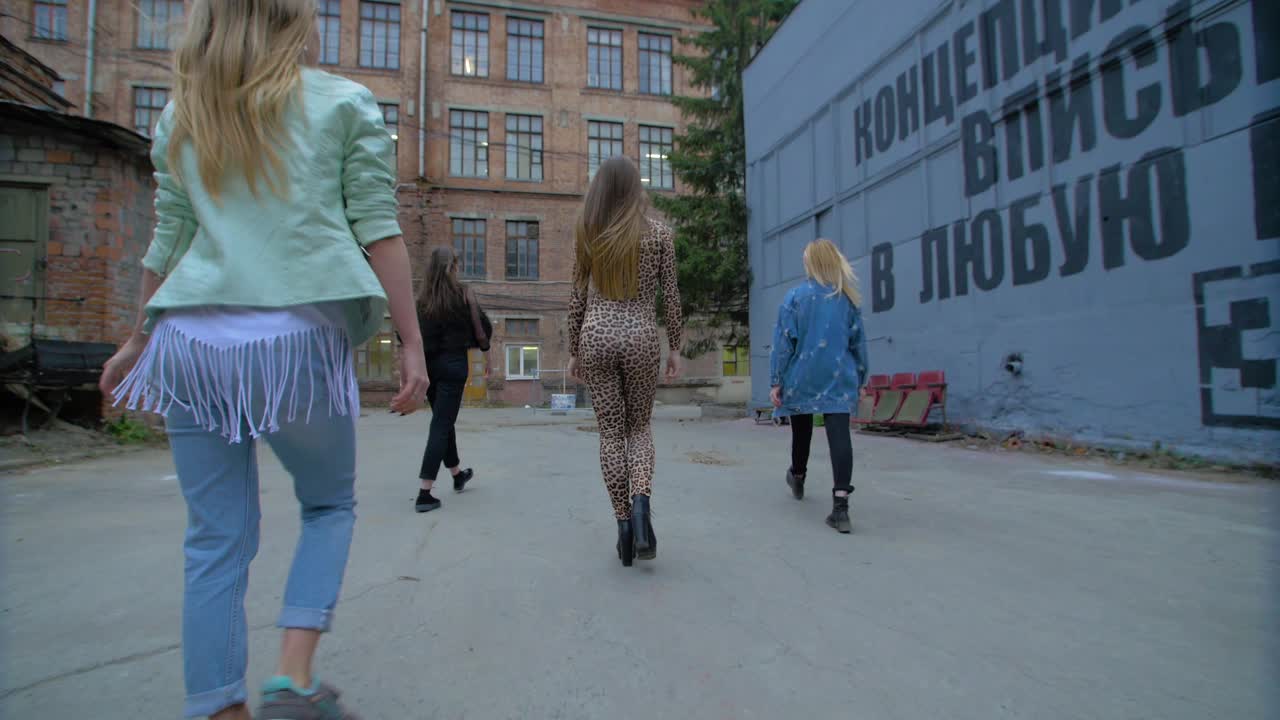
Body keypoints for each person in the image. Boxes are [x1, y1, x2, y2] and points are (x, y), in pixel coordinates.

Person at [98, 1, 428, 717]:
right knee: (328, 503)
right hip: (293, 343)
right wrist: (410, 341)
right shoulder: (342, 101)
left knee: (214, 538)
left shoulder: (185, 114)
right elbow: (378, 229)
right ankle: (293, 675)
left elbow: (168, 239)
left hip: (187, 345)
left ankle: (219, 707)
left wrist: (136, 338)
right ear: (292, 22)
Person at [567, 156, 683, 567]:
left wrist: (572, 349)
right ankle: (641, 508)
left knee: (611, 435)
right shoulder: (659, 235)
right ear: (636, 189)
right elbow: (671, 297)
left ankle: (622, 529)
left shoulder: (588, 232)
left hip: (596, 336)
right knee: (640, 428)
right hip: (639, 337)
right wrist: (676, 348)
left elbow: (577, 295)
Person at [769, 238, 869, 534]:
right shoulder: (847, 299)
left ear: (812, 263)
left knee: (802, 429)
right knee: (840, 435)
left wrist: (777, 380)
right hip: (839, 377)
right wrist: (861, 379)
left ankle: (797, 475)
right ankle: (841, 507)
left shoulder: (795, 298)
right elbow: (858, 344)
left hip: (803, 376)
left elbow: (784, 343)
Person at [414, 246, 490, 512]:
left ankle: (457, 474)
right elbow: (483, 328)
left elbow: (408, 335)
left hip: (429, 367)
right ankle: (425, 493)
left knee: (443, 421)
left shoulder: (421, 300)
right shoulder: (463, 294)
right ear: (452, 268)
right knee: (441, 425)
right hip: (454, 366)